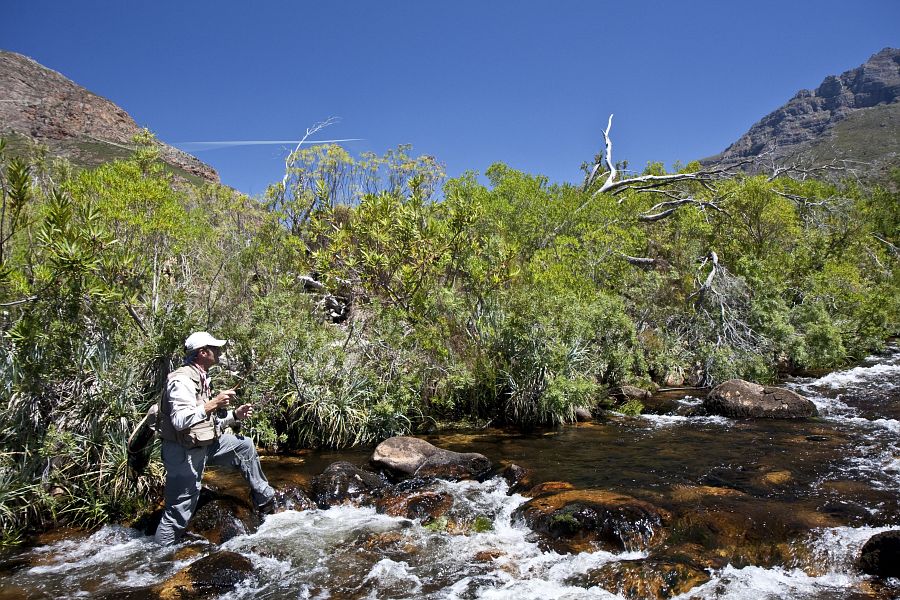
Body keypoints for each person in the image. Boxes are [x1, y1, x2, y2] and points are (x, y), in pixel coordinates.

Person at [155, 331, 277, 546]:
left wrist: (234, 416)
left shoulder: (202, 377)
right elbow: (180, 421)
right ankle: (158, 558)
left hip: (203, 446)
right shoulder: (181, 380)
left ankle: (265, 500)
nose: (219, 352)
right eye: (215, 348)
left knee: (244, 446)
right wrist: (214, 403)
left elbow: (206, 423)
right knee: (177, 513)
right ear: (202, 353)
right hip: (183, 453)